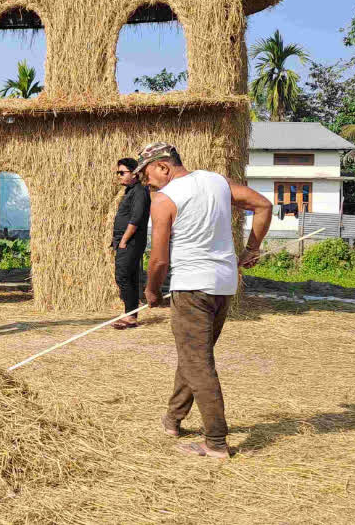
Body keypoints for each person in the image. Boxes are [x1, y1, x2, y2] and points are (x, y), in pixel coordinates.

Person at [138, 141, 272, 459]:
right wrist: (252, 249)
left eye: (147, 175)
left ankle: (215, 441)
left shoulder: (165, 200)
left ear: (163, 166)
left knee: (198, 362)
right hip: (224, 286)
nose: (147, 183)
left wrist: (152, 291)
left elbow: (158, 260)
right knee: (195, 354)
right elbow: (264, 205)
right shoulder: (217, 181)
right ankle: (173, 419)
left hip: (191, 289)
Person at [111, 157, 151, 330]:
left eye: (122, 172)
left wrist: (124, 240)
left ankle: (130, 314)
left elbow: (136, 218)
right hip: (126, 242)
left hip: (130, 242)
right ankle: (131, 314)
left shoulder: (140, 192)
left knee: (123, 276)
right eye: (118, 172)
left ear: (135, 173)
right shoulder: (130, 191)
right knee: (130, 276)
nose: (119, 175)